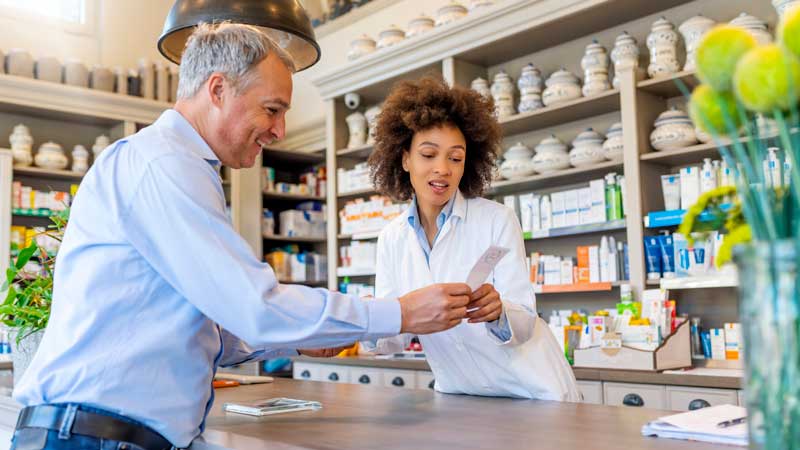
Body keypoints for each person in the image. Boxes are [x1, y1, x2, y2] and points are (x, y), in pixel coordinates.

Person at [10, 24, 473, 450]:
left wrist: (298, 340)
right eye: (272, 109)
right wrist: (399, 313)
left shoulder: (178, 166)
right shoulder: (164, 164)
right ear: (217, 89)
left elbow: (203, 331)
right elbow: (253, 305)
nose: (278, 130)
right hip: (91, 437)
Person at [363, 76, 580, 401]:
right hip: (459, 393)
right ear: (405, 159)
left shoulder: (497, 220)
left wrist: (498, 312)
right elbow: (390, 340)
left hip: (533, 392)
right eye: (428, 154)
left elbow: (524, 321)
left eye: (455, 158)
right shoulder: (391, 239)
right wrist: (365, 318)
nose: (442, 169)